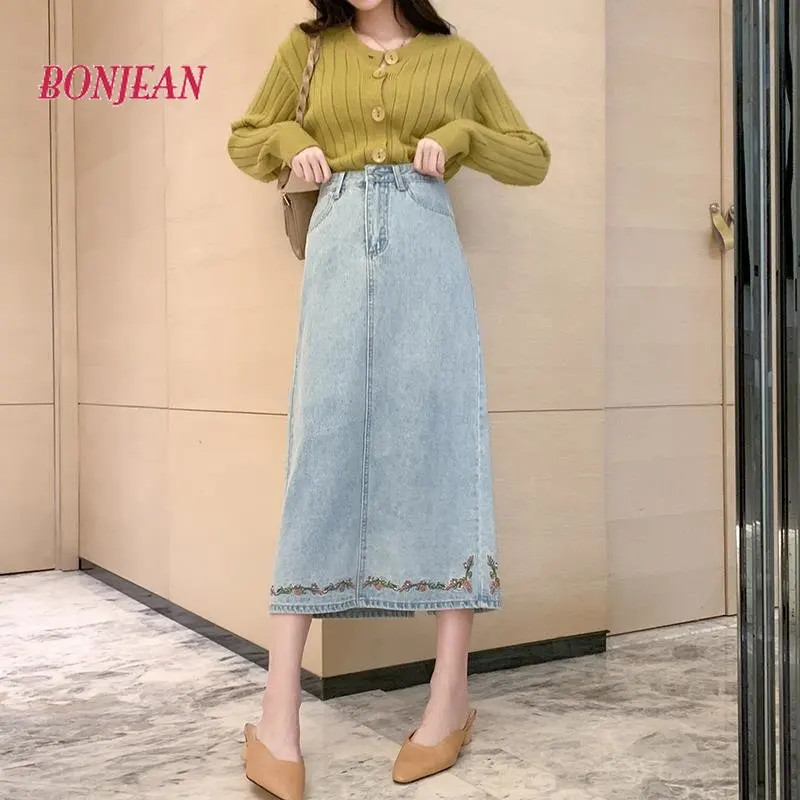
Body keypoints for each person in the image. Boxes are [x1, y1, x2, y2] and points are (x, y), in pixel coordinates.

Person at [227, 0, 550, 797]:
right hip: (337, 251)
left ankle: (449, 698)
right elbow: (245, 139)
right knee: (320, 457)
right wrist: (291, 142)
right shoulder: (307, 49)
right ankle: (277, 716)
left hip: (426, 252)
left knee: (441, 448)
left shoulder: (457, 59)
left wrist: (464, 135)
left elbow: (531, 158)